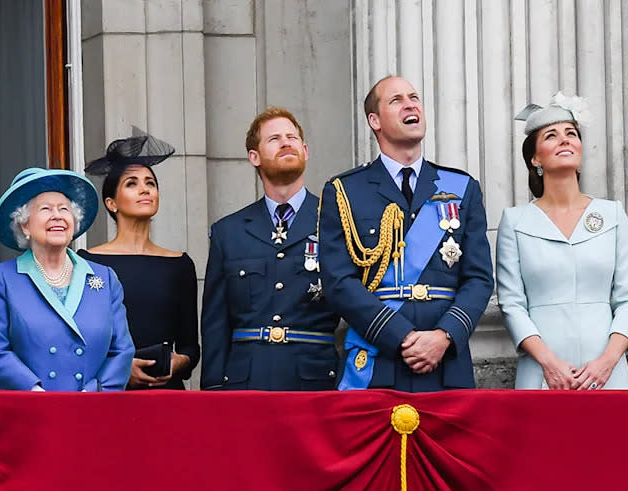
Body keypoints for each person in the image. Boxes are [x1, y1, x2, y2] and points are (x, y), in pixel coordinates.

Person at [319, 76, 494, 392]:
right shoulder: (344, 190)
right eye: (396, 100)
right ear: (375, 121)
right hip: (378, 356)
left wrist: (444, 336)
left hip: (446, 360)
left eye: (414, 97)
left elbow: (479, 279)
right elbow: (339, 282)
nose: (411, 104)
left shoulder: (461, 188)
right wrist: (400, 335)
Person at [497, 93, 628, 390]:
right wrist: (549, 363)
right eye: (551, 135)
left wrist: (606, 363)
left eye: (571, 133)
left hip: (607, 373)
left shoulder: (612, 214)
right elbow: (512, 304)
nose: (564, 140)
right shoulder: (515, 221)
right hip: (542, 373)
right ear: (535, 158)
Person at [201, 107, 340, 391]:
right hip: (247, 383)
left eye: (292, 137)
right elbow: (216, 321)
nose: (286, 142)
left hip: (316, 382)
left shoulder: (336, 221)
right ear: (254, 157)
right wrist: (213, 390)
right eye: (274, 139)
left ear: (305, 150)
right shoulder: (229, 231)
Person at [0, 167, 134, 391]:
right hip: (32, 411)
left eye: (64, 209)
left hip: (93, 409)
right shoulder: (5, 278)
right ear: (25, 225)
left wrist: (93, 392)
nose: (57, 215)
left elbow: (122, 350)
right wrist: (35, 392)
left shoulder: (105, 278)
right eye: (45, 209)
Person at [79, 132, 200, 390]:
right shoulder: (87, 263)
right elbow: (79, 342)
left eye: (151, 183)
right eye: (132, 183)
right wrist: (119, 368)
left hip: (167, 396)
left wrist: (177, 363)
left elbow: (190, 347)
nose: (145, 189)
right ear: (111, 203)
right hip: (109, 395)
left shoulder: (180, 264)